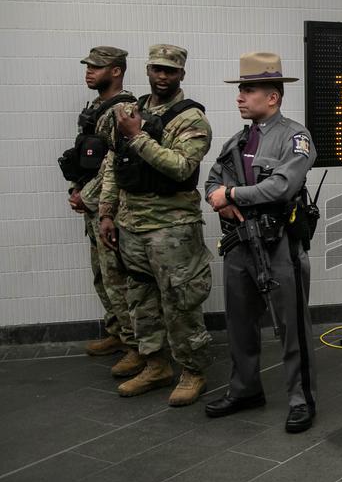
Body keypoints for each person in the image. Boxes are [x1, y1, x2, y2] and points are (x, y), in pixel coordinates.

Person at [203, 52, 319, 433]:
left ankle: (301, 399)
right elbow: (211, 184)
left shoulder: (295, 137)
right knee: (239, 323)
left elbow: (281, 185)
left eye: (248, 90)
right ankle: (245, 389)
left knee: (291, 327)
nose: (240, 97)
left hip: (279, 243)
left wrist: (232, 195)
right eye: (240, 90)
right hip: (240, 242)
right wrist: (219, 203)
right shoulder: (237, 141)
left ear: (273, 97)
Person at [98, 44, 215, 404]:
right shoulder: (130, 111)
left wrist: (138, 136)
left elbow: (181, 167)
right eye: (156, 69)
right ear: (147, 71)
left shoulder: (191, 119)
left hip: (172, 227)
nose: (162, 76)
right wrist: (106, 211)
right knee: (141, 299)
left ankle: (192, 371)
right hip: (131, 223)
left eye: (170, 70)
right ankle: (156, 364)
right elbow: (114, 164)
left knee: (180, 300)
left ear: (182, 74)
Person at [60, 47, 140, 375]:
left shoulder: (123, 109)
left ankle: (136, 346)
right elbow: (88, 158)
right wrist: (76, 190)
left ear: (117, 71)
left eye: (97, 67)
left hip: (113, 208)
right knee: (101, 275)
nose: (89, 72)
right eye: (88, 66)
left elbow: (116, 164)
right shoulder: (96, 107)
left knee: (118, 278)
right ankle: (118, 333)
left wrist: (87, 198)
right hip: (93, 203)